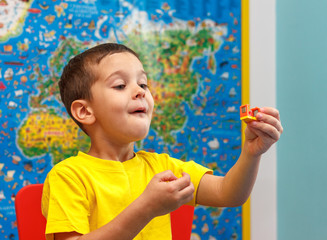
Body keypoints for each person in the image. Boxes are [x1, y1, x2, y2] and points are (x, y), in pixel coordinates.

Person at [41, 43, 283, 240]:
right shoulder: (68, 176)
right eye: (120, 85)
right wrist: (146, 208)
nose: (140, 91)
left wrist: (251, 153)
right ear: (84, 111)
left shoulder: (162, 167)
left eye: (143, 83)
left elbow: (227, 193)